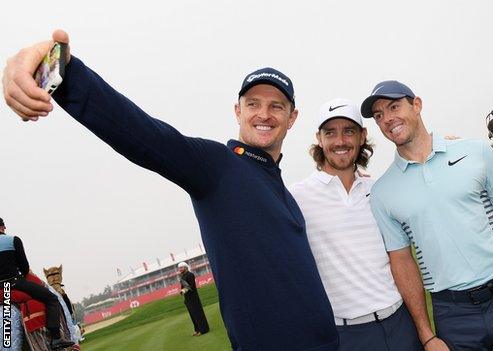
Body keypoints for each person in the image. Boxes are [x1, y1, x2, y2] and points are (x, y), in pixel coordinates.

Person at [2, 30, 338, 351]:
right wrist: (56, 66)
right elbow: (140, 133)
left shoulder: (281, 188)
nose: (264, 114)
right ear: (238, 110)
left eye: (276, 106)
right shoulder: (217, 166)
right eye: (253, 104)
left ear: (292, 118)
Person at [359, 80, 493, 350]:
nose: (387, 119)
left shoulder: (475, 151)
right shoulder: (383, 192)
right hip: (454, 315)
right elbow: (402, 262)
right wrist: (426, 335)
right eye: (379, 115)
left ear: (416, 104)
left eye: (394, 107)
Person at [289, 99, 424, 351]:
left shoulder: (380, 190)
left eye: (349, 131)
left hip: (400, 322)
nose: (340, 141)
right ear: (319, 138)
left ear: (362, 136)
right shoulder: (297, 197)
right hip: (348, 336)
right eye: (330, 132)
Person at [0, 218, 75, 350]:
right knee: (52, 298)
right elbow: (24, 267)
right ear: (3, 228)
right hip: (15, 283)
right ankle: (56, 338)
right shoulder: (13, 240)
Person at [178, 262, 210, 336]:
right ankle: (197, 329)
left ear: (185, 267)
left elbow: (191, 286)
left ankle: (203, 329)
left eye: (181, 267)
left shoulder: (190, 275)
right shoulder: (182, 276)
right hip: (187, 298)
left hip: (193, 298)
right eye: (179, 268)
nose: (180, 269)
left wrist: (183, 290)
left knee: (197, 313)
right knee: (192, 315)